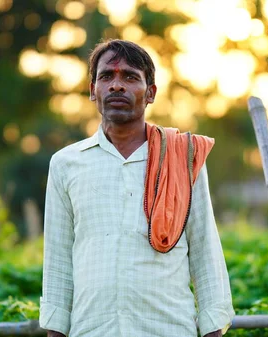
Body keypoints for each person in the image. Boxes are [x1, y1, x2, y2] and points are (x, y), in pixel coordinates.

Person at [39, 39, 235, 337]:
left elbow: (205, 250)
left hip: (168, 329)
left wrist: (212, 329)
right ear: (93, 90)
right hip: (92, 330)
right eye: (107, 76)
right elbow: (58, 260)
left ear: (151, 92)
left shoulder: (182, 157)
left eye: (130, 77)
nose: (117, 86)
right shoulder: (66, 163)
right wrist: (55, 331)